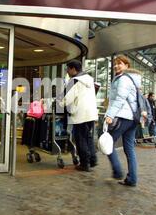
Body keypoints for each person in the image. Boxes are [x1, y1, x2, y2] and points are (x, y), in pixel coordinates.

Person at [104, 54, 142, 187]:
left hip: (123, 116)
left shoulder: (124, 79)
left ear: (127, 66)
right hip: (132, 118)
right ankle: (132, 179)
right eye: (115, 63)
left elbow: (119, 99)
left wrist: (110, 115)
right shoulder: (132, 79)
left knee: (107, 143)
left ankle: (117, 171)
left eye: (120, 63)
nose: (116, 66)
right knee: (129, 148)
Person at [61, 59, 98, 171]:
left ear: (73, 69)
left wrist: (59, 103)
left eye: (68, 69)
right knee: (88, 137)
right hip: (91, 114)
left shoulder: (75, 80)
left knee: (80, 139)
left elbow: (67, 98)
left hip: (80, 115)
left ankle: (84, 164)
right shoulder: (90, 80)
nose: (67, 72)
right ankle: (93, 160)